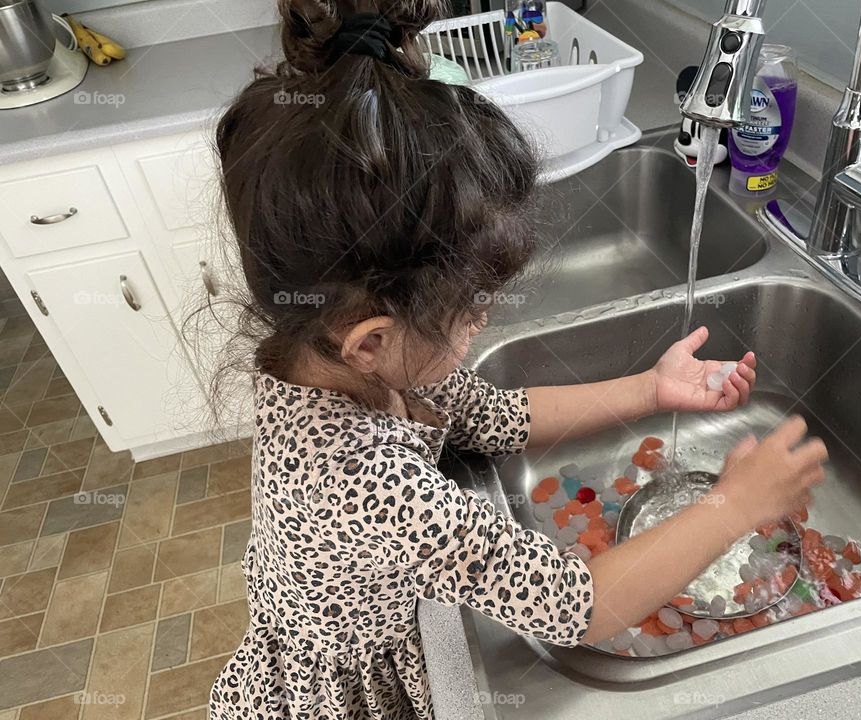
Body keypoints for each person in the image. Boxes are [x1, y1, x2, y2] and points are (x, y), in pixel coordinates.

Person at [208, 1, 828, 717]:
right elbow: (578, 605)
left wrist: (652, 389)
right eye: (470, 309)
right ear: (372, 340)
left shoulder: (326, 359)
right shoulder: (364, 483)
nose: (484, 321)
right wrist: (734, 505)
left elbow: (499, 419)